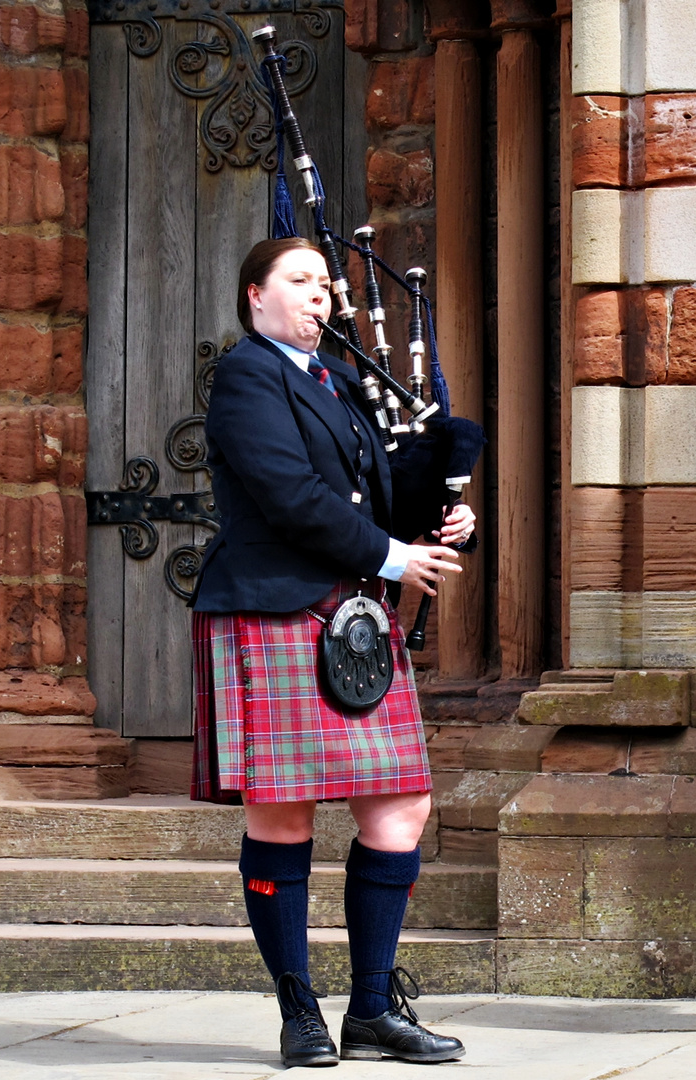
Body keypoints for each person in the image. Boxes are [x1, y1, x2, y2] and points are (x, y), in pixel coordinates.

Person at [189, 236, 474, 1067]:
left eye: (326, 285)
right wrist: (393, 558)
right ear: (255, 297)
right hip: (275, 610)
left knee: (399, 809)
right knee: (282, 814)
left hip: (349, 617)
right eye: (301, 283)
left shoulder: (340, 381)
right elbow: (290, 495)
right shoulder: (246, 376)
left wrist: (440, 519)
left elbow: (376, 491)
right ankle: (298, 1010)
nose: (321, 298)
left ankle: (373, 1007)